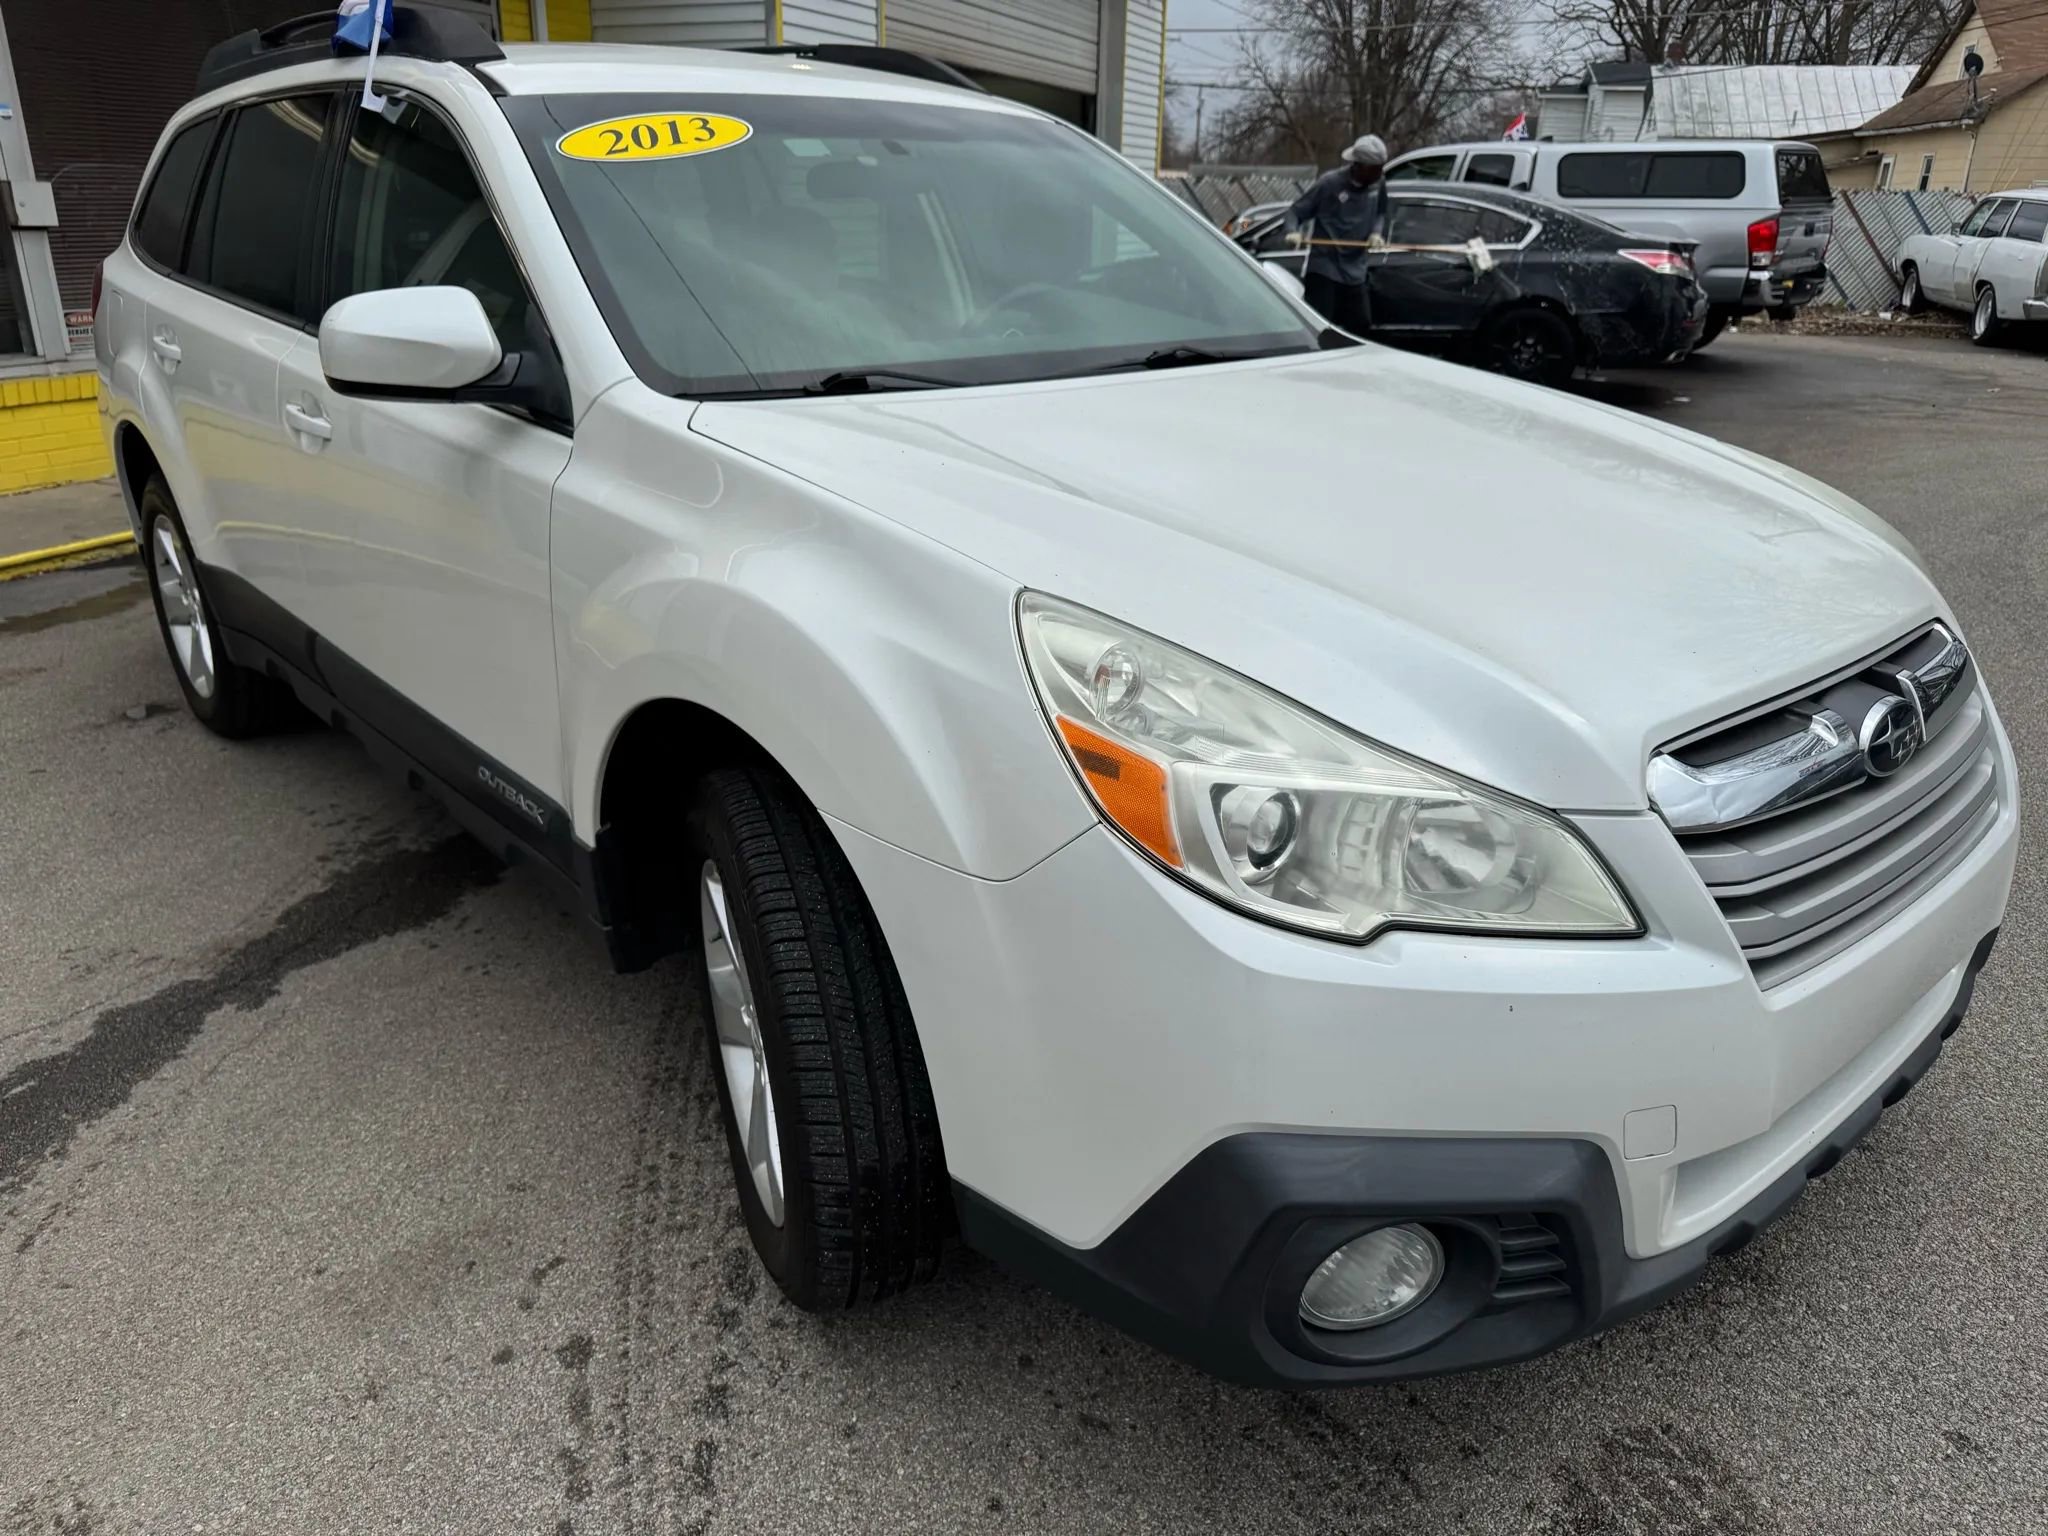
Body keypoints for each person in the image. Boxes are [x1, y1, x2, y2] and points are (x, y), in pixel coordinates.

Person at [1284, 134, 1391, 333]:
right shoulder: (1330, 183)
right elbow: (1295, 212)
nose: (1380, 173)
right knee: (1321, 328)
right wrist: (1293, 232)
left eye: (1381, 168)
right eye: (1376, 169)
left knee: (1361, 325)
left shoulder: (1379, 183)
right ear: (1359, 166)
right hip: (1326, 268)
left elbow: (1381, 212)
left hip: (1355, 270)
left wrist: (1376, 233)